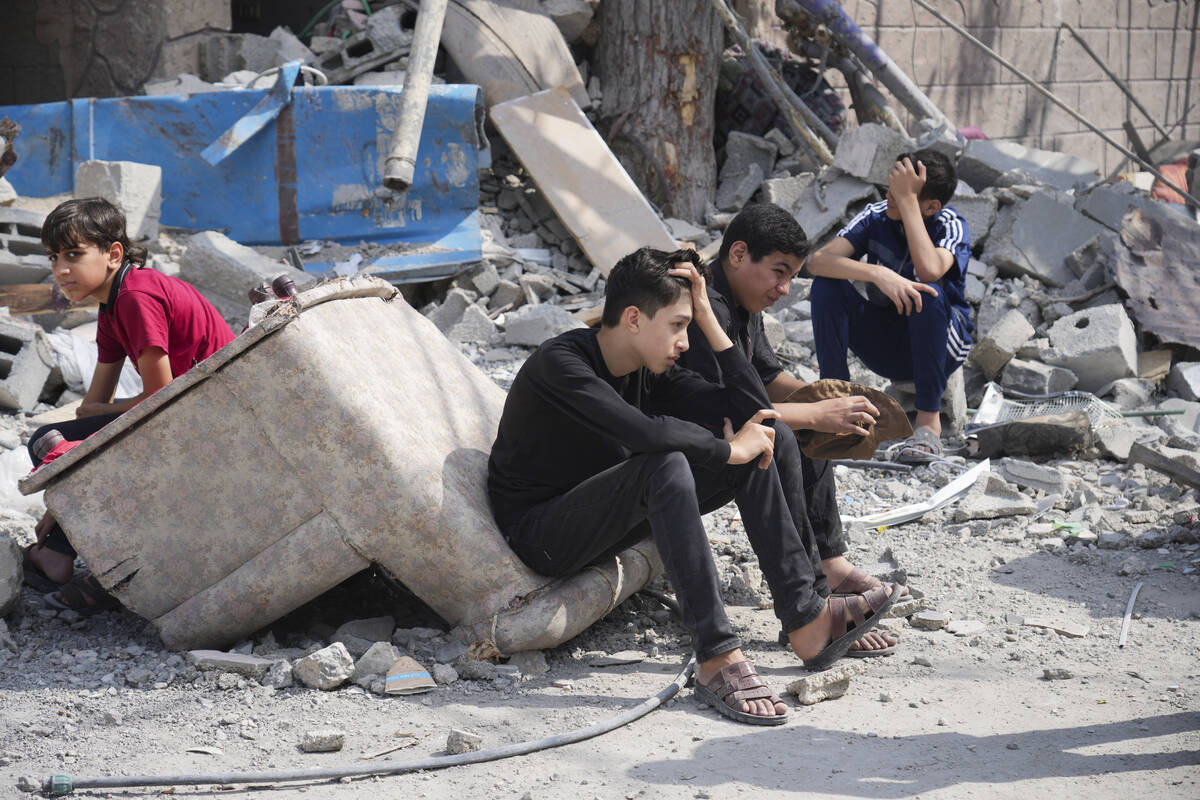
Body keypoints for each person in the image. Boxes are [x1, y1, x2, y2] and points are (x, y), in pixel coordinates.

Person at [487, 246, 897, 726]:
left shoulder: (648, 369)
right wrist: (726, 451)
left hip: (605, 512)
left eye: (689, 326)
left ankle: (806, 618)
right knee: (667, 465)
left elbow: (751, 409)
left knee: (773, 437)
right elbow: (645, 434)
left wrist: (706, 314)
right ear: (635, 319)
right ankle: (717, 657)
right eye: (678, 326)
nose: (686, 341)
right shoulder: (561, 364)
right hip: (544, 532)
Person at [669, 203, 901, 657]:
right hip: (682, 459)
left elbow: (765, 379)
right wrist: (815, 414)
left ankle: (827, 570)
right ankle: (810, 606)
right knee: (786, 436)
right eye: (778, 272)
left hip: (718, 435)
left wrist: (827, 400)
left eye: (791, 275)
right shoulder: (704, 310)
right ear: (738, 254)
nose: (784, 288)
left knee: (812, 422)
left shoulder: (744, 300)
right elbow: (734, 412)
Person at [22, 197, 236, 613]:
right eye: (53, 258)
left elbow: (160, 397)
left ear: (113, 253)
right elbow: (95, 402)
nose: (61, 269)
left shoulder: (137, 298)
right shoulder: (111, 305)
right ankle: (62, 552)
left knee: (52, 440)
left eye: (74, 254)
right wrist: (63, 494)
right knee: (62, 443)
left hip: (213, 414)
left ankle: (58, 556)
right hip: (190, 408)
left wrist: (91, 424)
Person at [808, 148, 973, 461]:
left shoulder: (950, 224)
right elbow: (817, 262)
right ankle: (836, 404)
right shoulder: (876, 215)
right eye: (890, 189)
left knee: (926, 291)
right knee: (827, 286)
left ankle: (928, 425)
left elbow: (929, 271)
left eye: (900, 194)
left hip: (942, 346)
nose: (889, 198)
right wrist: (877, 273)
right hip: (888, 346)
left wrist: (909, 202)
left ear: (931, 206)